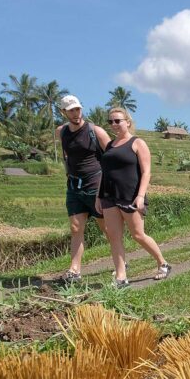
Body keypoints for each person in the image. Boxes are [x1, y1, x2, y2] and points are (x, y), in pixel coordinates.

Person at [98, 107, 171, 288]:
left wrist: (140, 196)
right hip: (109, 196)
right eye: (111, 121)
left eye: (118, 121)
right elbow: (104, 173)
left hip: (129, 195)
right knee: (114, 237)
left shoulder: (137, 143)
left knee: (138, 235)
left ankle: (163, 263)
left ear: (127, 122)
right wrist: (98, 197)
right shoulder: (109, 146)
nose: (114, 124)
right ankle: (121, 277)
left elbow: (146, 172)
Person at [58, 95, 110, 283]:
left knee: (106, 228)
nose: (76, 113)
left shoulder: (95, 131)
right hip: (73, 185)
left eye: (78, 109)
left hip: (95, 185)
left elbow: (112, 157)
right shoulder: (61, 132)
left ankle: (120, 259)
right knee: (75, 227)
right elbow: (66, 156)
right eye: (71, 110)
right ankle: (75, 270)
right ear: (63, 112)